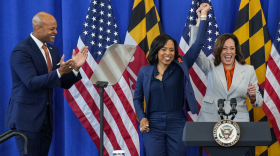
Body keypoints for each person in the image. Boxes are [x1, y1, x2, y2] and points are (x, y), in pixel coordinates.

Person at [5, 12, 88, 156]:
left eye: (55, 28)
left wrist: (75, 68)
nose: (56, 32)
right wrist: (59, 72)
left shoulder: (52, 50)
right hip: (26, 120)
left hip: (46, 120)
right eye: (52, 29)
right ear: (38, 28)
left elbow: (61, 82)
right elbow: (31, 83)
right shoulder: (21, 51)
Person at [133, 4, 210, 156]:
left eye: (172, 50)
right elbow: (137, 98)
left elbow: (198, 43)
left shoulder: (181, 65)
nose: (168, 53)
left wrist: (203, 16)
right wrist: (142, 118)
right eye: (164, 49)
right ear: (156, 51)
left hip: (177, 122)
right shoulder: (145, 71)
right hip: (152, 123)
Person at [192, 30, 263, 121]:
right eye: (224, 48)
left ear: (236, 51)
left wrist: (253, 96)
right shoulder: (210, 64)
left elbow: (258, 102)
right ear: (219, 50)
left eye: (232, 48)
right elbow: (195, 50)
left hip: (237, 121)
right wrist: (199, 23)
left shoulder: (249, 70)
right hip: (210, 119)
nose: (228, 52)